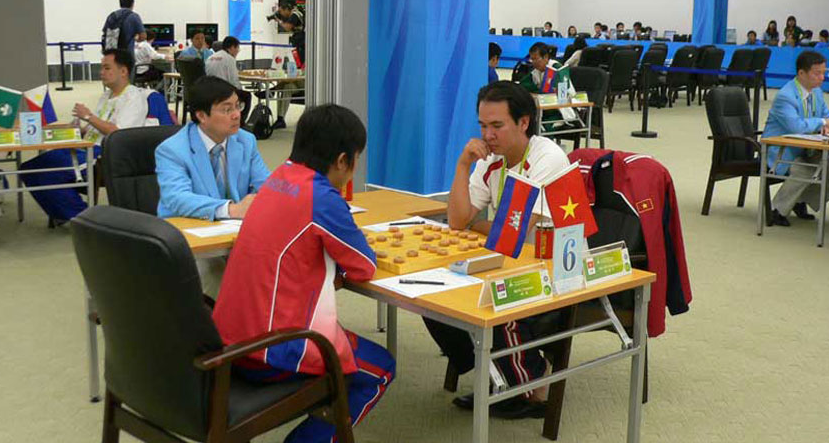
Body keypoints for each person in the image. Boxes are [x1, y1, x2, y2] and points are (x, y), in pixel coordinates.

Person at [212, 104, 394, 443]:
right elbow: (364, 266)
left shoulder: (278, 178)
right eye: (355, 160)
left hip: (226, 341)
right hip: (271, 350)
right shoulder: (322, 196)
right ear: (343, 160)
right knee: (380, 369)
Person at [424, 81, 571, 419]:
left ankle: (530, 385)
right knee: (431, 294)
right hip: (509, 256)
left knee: (494, 298)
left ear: (523, 123)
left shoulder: (546, 157)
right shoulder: (489, 160)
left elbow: (514, 235)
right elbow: (459, 220)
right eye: (483, 126)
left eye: (497, 126)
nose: (487, 136)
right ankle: (494, 372)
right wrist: (462, 165)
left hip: (555, 268)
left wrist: (483, 226)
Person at [21, 49, 148, 222]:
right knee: (29, 168)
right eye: (101, 67)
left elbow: (118, 134)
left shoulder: (134, 98)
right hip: (84, 147)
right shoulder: (107, 95)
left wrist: (89, 116)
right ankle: (64, 213)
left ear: (124, 71)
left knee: (48, 172)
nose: (101, 72)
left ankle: (83, 219)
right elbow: (95, 127)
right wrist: (80, 128)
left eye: (106, 68)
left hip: (103, 155)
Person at [156, 76, 270, 221]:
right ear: (202, 116)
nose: (236, 115)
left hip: (233, 230)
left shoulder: (246, 141)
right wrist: (230, 209)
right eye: (227, 109)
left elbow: (266, 184)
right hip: (187, 230)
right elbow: (177, 198)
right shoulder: (172, 150)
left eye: (238, 106)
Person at [762, 51, 829, 226]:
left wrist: (826, 124)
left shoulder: (817, 92)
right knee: (807, 169)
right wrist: (820, 122)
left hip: (807, 149)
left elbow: (828, 117)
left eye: (824, 72)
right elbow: (796, 127)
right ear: (801, 73)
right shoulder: (785, 96)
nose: (822, 78)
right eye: (817, 73)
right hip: (780, 153)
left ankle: (797, 200)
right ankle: (777, 210)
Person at [205, 36, 252, 124]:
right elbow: (233, 80)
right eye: (237, 48)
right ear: (232, 47)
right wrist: (240, 90)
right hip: (223, 91)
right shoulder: (229, 59)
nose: (238, 51)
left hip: (209, 90)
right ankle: (240, 123)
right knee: (247, 96)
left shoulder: (210, 57)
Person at [269, 1, 305, 67]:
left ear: (286, 10)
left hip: (300, 42)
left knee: (300, 63)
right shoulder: (298, 12)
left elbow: (287, 27)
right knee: (300, 62)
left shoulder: (294, 15)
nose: (281, 14)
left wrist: (278, 21)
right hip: (301, 41)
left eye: (281, 11)